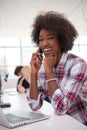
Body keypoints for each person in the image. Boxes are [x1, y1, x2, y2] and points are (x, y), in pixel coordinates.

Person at [27, 11, 87, 125]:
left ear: (62, 40)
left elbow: (61, 108)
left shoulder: (78, 65)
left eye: (50, 38)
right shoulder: (43, 67)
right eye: (41, 39)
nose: (44, 44)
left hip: (81, 123)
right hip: (61, 123)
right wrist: (33, 73)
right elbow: (34, 105)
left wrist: (49, 71)